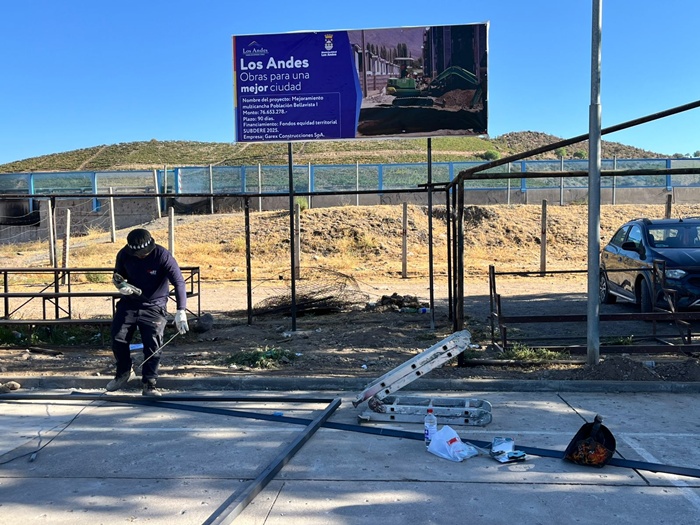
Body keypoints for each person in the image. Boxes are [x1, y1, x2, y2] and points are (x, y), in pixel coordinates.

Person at [106, 228, 189, 396]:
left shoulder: (162, 255)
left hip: (154, 305)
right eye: (137, 254)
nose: (140, 256)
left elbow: (179, 282)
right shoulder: (124, 254)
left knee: (152, 344)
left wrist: (181, 310)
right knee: (118, 337)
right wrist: (121, 286)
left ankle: (149, 383)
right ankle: (124, 372)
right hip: (129, 303)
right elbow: (118, 276)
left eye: (143, 253)